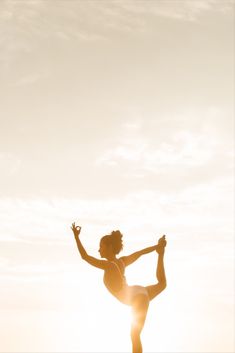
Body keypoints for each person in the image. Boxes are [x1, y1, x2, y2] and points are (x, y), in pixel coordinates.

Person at [71, 222, 167, 353]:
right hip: (139, 292)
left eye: (101, 246)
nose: (99, 250)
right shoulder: (122, 261)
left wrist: (76, 236)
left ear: (109, 247)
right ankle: (161, 253)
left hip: (137, 297)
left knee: (134, 335)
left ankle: (161, 252)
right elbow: (140, 253)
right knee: (162, 284)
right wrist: (158, 247)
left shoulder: (109, 266)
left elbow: (85, 257)